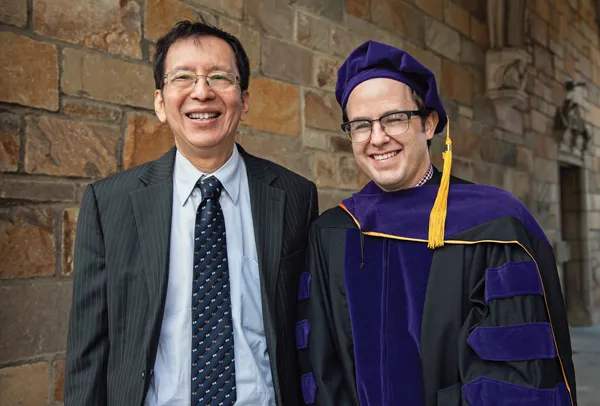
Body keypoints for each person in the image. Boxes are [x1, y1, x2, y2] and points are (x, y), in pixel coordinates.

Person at [295, 40, 576, 406]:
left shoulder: (493, 224)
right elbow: (319, 367)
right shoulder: (332, 232)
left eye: (394, 118)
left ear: (428, 123)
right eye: (361, 125)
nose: (377, 138)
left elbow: (514, 376)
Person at [65, 19, 318, 406]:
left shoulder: (294, 196)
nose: (202, 92)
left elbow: (306, 331)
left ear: (244, 101)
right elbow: (88, 350)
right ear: (160, 103)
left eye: (220, 77)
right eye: (183, 77)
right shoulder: (109, 202)